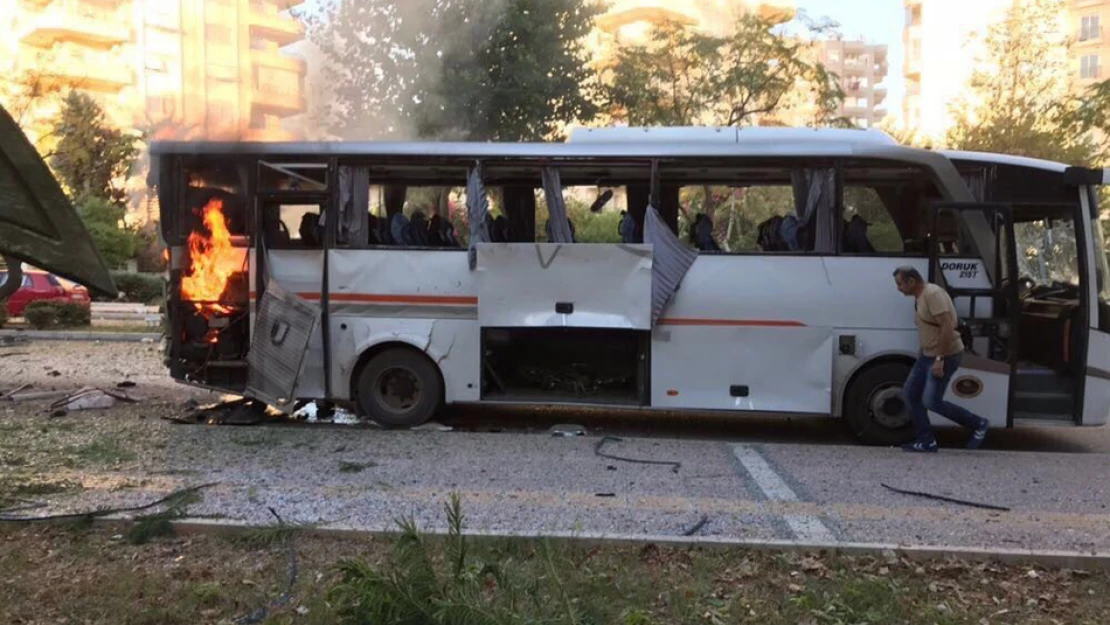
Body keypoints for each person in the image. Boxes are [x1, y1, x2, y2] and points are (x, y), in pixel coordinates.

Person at [893, 266, 990, 452]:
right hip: (927, 354)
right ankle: (926, 441)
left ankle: (979, 423)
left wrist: (940, 359)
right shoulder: (921, 296)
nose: (898, 288)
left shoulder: (932, 295)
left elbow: (947, 327)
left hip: (944, 355)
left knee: (931, 401)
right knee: (910, 394)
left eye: (900, 284)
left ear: (911, 281)